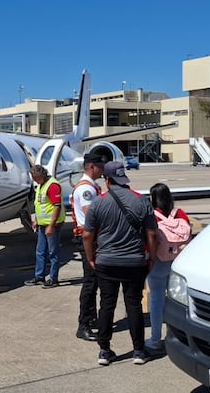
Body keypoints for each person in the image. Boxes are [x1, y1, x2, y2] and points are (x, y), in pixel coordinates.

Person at [82, 160, 158, 366]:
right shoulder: (141, 200)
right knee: (133, 304)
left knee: (107, 304)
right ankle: (139, 351)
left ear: (107, 180)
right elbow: (152, 234)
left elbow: (87, 235)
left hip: (106, 262)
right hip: (134, 262)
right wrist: (152, 257)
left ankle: (104, 351)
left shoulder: (98, 203)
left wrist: (90, 257)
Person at [146, 183, 192, 352]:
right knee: (179, 302)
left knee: (156, 301)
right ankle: (182, 337)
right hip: (178, 263)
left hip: (158, 262)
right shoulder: (180, 213)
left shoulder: (152, 215)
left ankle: (155, 339)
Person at [71, 153, 106, 341]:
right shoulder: (86, 189)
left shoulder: (89, 186)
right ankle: (83, 324)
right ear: (92, 166)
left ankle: (91, 318)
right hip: (89, 238)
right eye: (100, 166)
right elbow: (91, 215)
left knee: (94, 281)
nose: (102, 170)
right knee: (90, 282)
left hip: (91, 237)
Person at [25, 164, 64, 287]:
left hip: (52, 225)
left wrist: (51, 226)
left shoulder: (52, 186)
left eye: (35, 178)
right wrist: (36, 220)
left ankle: (53, 278)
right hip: (42, 224)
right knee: (40, 251)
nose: (34, 180)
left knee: (53, 252)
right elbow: (40, 205)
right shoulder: (41, 185)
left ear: (41, 175)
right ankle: (39, 276)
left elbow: (57, 206)